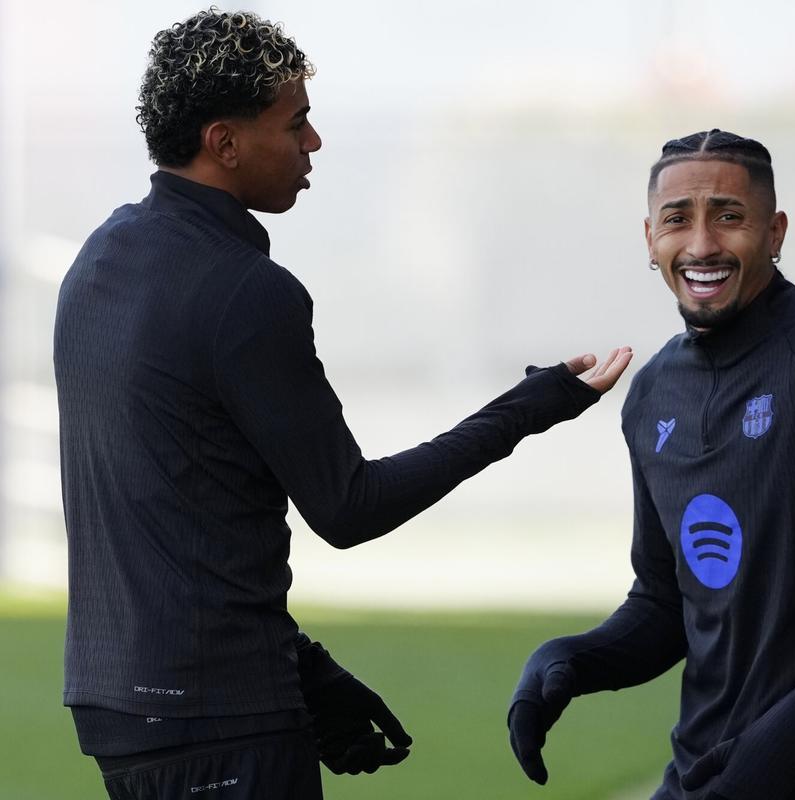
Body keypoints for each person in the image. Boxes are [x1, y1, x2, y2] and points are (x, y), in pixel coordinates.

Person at [52, 9, 631, 799]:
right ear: (224, 142)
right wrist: (531, 407)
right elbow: (349, 507)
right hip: (221, 720)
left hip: (119, 709)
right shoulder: (246, 292)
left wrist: (304, 671)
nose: (313, 143)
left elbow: (179, 517)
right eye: (295, 124)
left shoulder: (99, 260)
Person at [508, 130, 795, 799]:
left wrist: (776, 748)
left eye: (730, 217)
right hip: (706, 776)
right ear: (650, 239)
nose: (703, 244)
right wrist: (568, 659)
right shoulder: (653, 391)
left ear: (775, 232)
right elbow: (663, 604)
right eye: (678, 220)